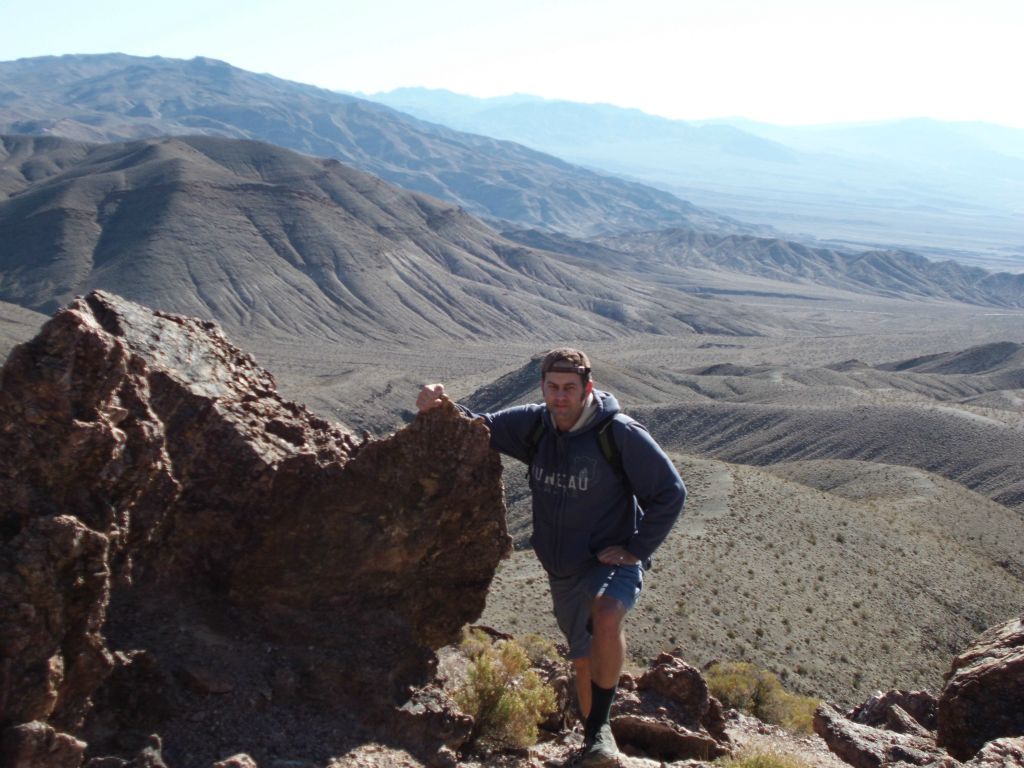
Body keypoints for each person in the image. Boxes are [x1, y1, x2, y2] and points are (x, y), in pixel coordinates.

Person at [417, 348, 686, 766]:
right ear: (542, 387)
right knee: (581, 657)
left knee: (607, 612)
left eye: (570, 388)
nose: (561, 397)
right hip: (561, 567)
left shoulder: (618, 434)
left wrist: (635, 549)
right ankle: (592, 739)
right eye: (553, 387)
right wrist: (440, 402)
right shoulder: (534, 425)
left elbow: (671, 491)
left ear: (587, 388)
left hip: (607, 560)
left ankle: (601, 736)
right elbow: (476, 427)